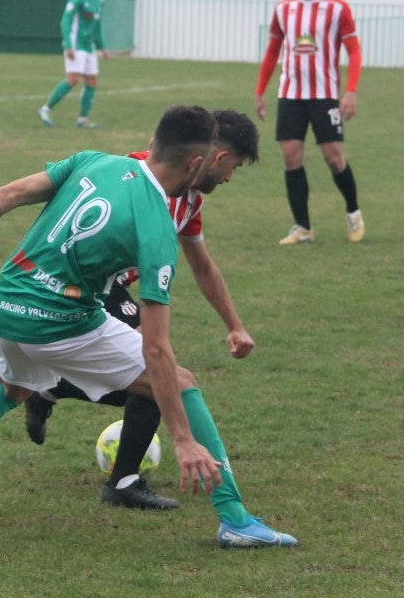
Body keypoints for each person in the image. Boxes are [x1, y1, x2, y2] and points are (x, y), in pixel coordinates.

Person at [0, 105, 296, 548]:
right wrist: (182, 438)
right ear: (197, 162)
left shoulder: (92, 160)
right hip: (61, 319)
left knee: (11, 389)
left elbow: (6, 194)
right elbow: (157, 349)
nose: (227, 177)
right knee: (180, 382)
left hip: (7, 301)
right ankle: (234, 518)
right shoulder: (157, 227)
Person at [23, 110, 261, 511]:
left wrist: (234, 324)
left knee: (152, 382)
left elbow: (203, 266)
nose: (229, 179)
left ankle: (50, 388)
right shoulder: (142, 172)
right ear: (216, 157)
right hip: (86, 284)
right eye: (232, 167)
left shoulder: (189, 201)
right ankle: (123, 482)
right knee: (159, 375)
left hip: (113, 288)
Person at [254, 0, 365, 246]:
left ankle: (353, 212)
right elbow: (272, 51)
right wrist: (260, 91)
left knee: (334, 158)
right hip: (290, 95)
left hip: (325, 94)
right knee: (290, 157)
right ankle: (303, 227)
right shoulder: (283, 9)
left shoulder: (337, 8)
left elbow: (354, 51)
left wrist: (351, 90)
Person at [38, 0, 108, 129]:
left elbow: (97, 26)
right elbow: (65, 20)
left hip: (89, 47)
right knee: (73, 79)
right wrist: (68, 45)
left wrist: (102, 47)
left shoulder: (100, 0)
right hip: (76, 45)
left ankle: (82, 120)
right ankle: (45, 109)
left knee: (91, 82)